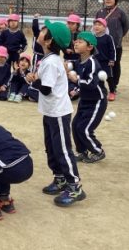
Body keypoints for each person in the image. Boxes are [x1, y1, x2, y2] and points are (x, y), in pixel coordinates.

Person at [26, 20, 85, 207]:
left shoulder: (51, 62)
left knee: (62, 149)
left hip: (58, 112)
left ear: (49, 41)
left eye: (44, 30)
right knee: (51, 147)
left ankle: (75, 186)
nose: (41, 31)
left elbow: (46, 89)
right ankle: (60, 178)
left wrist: (33, 80)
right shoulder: (48, 59)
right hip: (50, 111)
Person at [69, 31, 107, 164]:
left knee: (84, 128)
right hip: (85, 100)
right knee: (75, 125)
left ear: (89, 47)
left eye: (80, 42)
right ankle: (82, 151)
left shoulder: (92, 63)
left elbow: (91, 83)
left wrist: (76, 80)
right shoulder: (79, 61)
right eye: (76, 41)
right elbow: (72, 65)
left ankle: (98, 151)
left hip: (96, 101)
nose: (76, 43)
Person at [95, 0, 129, 96]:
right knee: (99, 64)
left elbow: (126, 27)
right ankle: (99, 85)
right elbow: (96, 26)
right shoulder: (100, 12)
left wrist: (119, 37)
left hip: (116, 45)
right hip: (101, 45)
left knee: (115, 64)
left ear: (115, 0)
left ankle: (114, 86)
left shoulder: (120, 13)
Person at [92, 18, 117, 101]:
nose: (97, 26)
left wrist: (112, 60)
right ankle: (101, 92)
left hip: (106, 62)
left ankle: (112, 92)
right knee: (97, 77)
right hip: (95, 61)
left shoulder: (108, 38)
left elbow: (112, 50)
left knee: (109, 77)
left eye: (99, 25)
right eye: (95, 25)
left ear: (105, 27)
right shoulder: (92, 38)